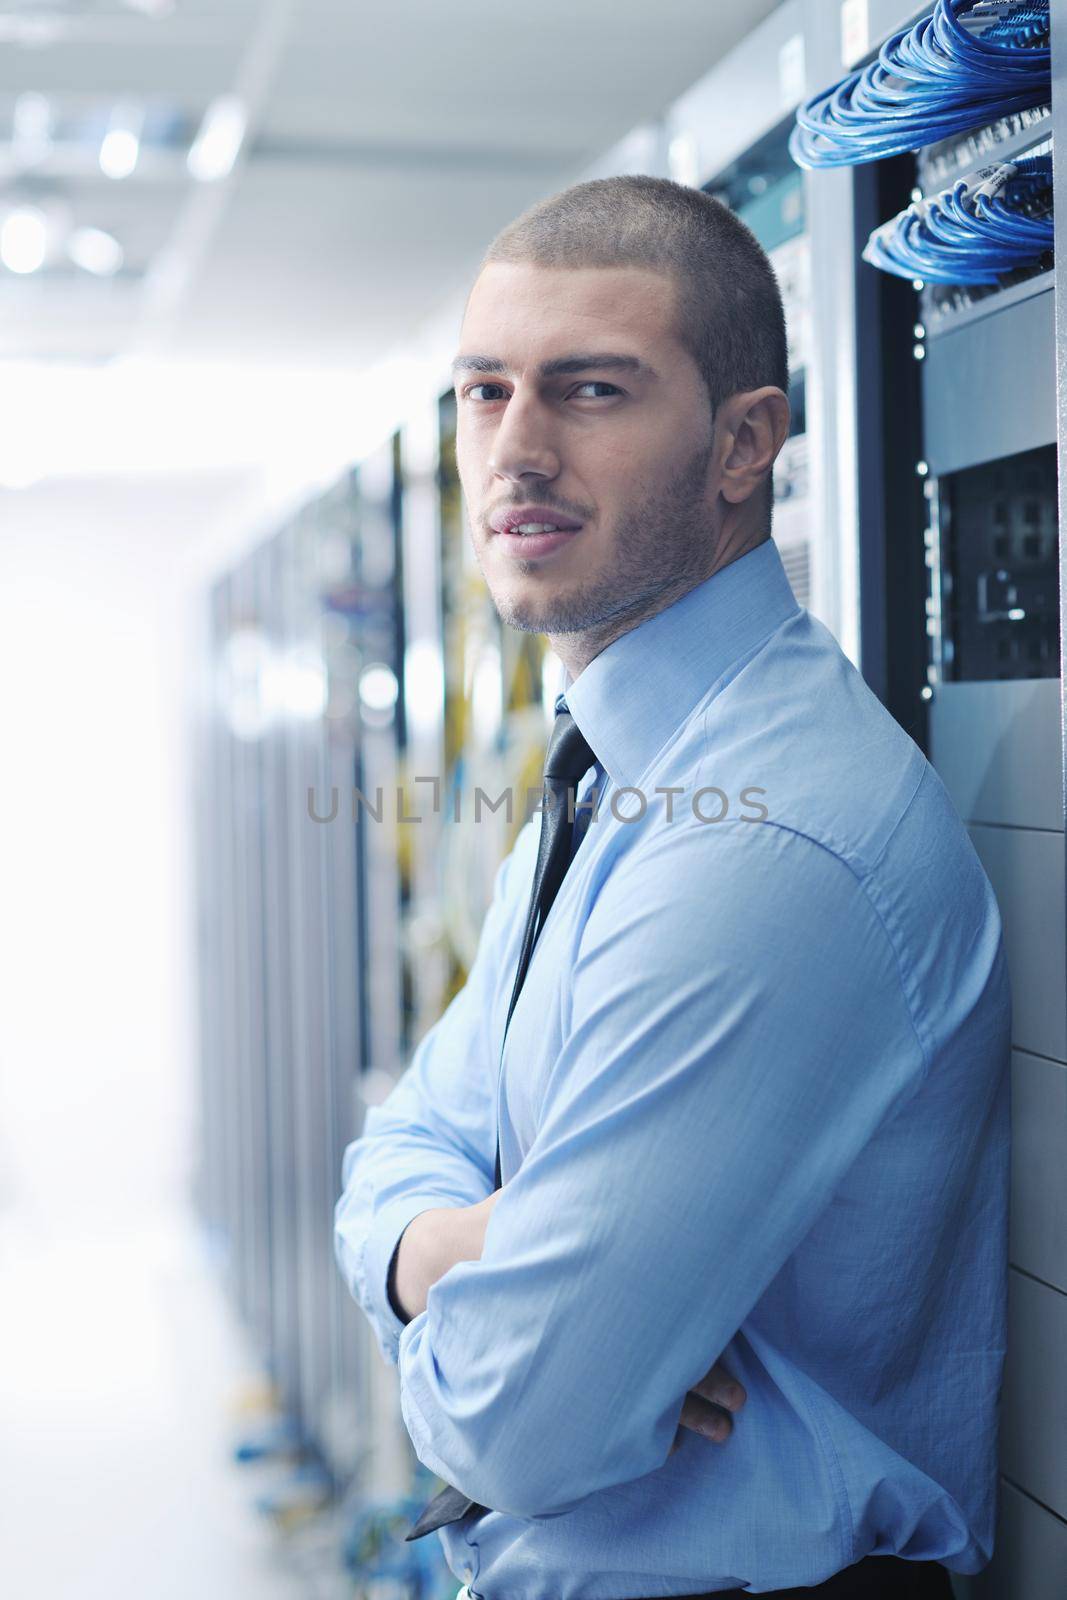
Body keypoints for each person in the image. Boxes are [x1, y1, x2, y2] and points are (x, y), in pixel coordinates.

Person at [333, 175, 1010, 1600]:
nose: (515, 451)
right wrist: (451, 1245)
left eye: (589, 391)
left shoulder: (762, 837)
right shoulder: (625, 768)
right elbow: (401, 1147)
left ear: (744, 445)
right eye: (482, 393)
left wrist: (479, 1282)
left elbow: (515, 1420)